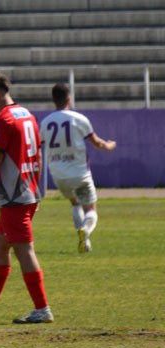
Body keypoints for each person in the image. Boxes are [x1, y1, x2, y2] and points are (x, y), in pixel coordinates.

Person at [0, 73, 54, 324]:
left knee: (24, 250)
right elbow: (36, 154)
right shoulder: (27, 115)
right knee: (1, 246)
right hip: (29, 191)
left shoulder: (2, 120)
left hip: (15, 195)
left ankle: (42, 309)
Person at [39, 83, 116, 253]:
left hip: (58, 175)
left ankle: (85, 243)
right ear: (69, 99)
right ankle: (85, 231)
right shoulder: (79, 119)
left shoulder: (45, 122)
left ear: (53, 100)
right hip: (80, 174)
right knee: (91, 209)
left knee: (75, 204)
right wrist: (109, 146)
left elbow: (39, 147)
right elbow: (96, 143)